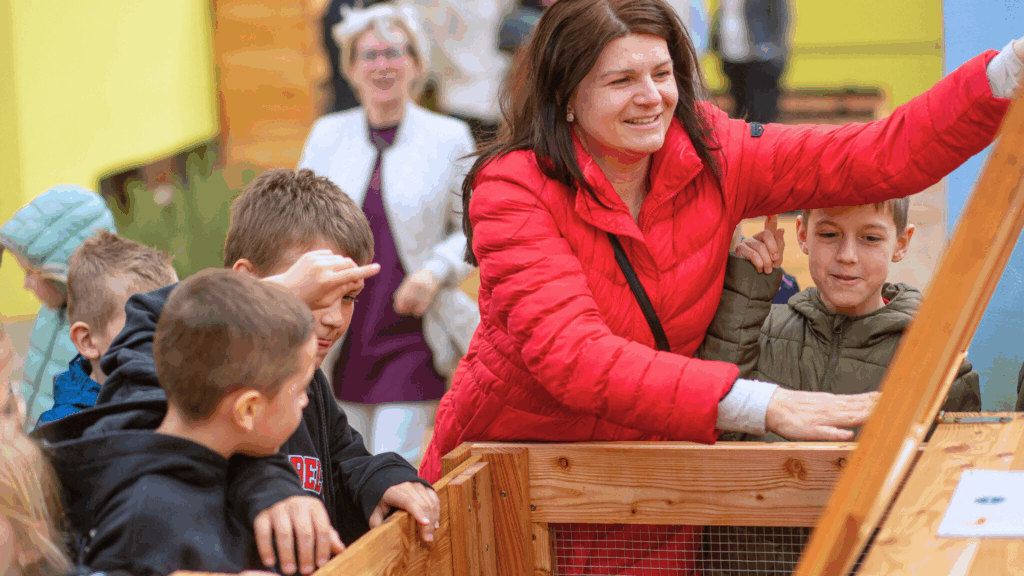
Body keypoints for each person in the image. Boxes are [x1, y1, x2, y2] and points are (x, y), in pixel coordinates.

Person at [36, 169, 440, 576]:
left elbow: (341, 458)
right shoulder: (184, 385)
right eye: (314, 291)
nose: (335, 318)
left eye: (349, 296)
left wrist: (382, 479)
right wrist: (266, 298)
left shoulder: (305, 380)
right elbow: (154, 331)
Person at [47, 270, 325, 575]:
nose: (305, 401)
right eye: (300, 390)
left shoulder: (228, 464)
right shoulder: (147, 517)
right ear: (247, 410)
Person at [299, 2, 479, 465]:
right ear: (351, 70)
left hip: (412, 331)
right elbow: (295, 224)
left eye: (395, 53)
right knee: (346, 464)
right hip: (340, 333)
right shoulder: (325, 135)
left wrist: (435, 272)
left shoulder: (450, 137)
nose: (382, 65)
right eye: (370, 55)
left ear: (417, 65)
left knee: (389, 462)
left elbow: (473, 230)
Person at [725, 203, 981, 436]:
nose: (847, 255)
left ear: (901, 243)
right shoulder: (757, 329)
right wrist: (744, 291)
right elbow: (716, 437)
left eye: (870, 238)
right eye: (829, 234)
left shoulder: (938, 361)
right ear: (803, 235)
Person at [0, 186, 116, 430]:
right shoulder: (50, 313)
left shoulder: (106, 332)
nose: (25, 284)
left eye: (31, 272)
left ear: (64, 270)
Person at [36, 231, 178, 425]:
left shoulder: (180, 400)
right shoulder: (63, 432)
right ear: (87, 341)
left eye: (170, 323)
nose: (163, 338)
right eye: (138, 325)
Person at [711, 0, 790, 123]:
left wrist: (775, 50)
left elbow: (781, 16)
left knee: (762, 115)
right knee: (741, 112)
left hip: (761, 58)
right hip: (732, 56)